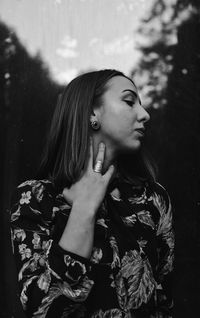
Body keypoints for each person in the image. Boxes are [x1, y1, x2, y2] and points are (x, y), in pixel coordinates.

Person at [10, 69, 174, 318]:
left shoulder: (153, 198)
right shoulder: (34, 198)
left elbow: (163, 302)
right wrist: (84, 210)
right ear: (91, 113)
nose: (145, 114)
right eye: (129, 101)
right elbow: (41, 309)